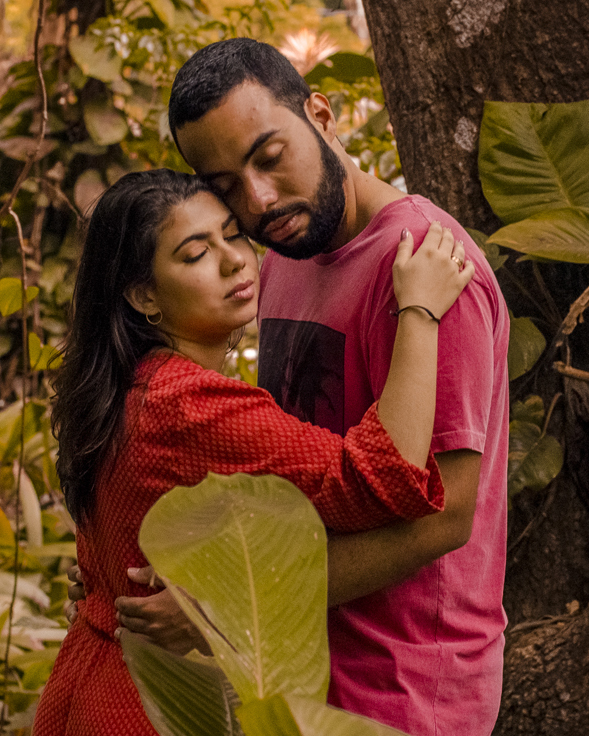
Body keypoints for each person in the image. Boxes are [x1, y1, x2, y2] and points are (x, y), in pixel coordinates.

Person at [105, 38, 512, 735]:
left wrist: (223, 604)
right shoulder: (283, 253)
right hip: (295, 669)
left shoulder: (426, 270)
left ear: (321, 116)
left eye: (269, 157)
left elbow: (442, 518)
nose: (259, 200)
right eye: (227, 185)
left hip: (405, 690)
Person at [36, 169, 475, 735]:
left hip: (92, 685)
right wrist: (418, 311)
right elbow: (375, 480)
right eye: (195, 253)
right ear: (143, 294)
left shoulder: (129, 383)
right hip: (141, 708)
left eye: (231, 235)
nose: (233, 261)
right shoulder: (187, 403)